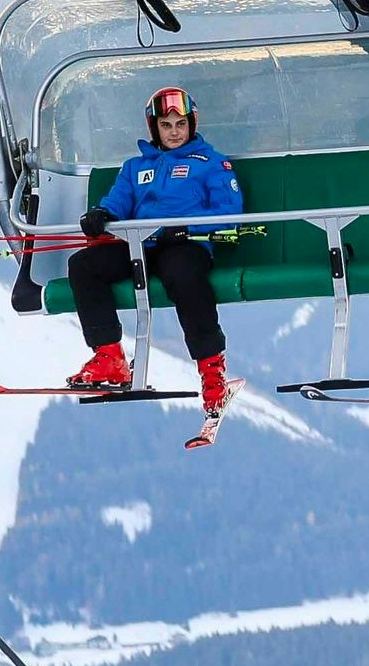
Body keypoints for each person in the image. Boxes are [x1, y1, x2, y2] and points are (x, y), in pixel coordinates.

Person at [64, 84, 242, 417]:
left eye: (180, 124)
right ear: (154, 128)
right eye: (166, 125)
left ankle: (212, 371)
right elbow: (119, 200)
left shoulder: (210, 163)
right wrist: (104, 215)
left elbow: (228, 210)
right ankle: (110, 357)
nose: (174, 132)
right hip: (141, 244)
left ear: (191, 124)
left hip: (185, 245)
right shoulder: (135, 168)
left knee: (184, 276)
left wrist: (186, 226)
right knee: (84, 265)